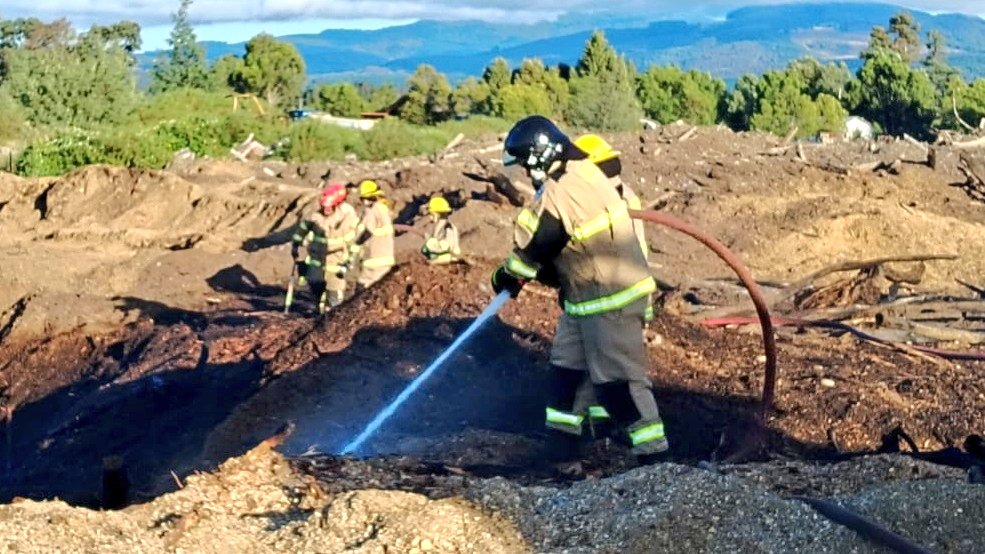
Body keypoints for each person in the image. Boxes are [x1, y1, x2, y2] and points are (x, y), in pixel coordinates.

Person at [490, 115, 669, 465]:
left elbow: (539, 240)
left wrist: (509, 276)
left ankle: (656, 460)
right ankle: (561, 452)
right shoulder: (578, 171)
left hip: (610, 300)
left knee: (617, 383)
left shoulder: (566, 186)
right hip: (584, 300)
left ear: (539, 154)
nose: (527, 172)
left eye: (527, 163)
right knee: (566, 375)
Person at [571, 133, 656, 433]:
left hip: (609, 300)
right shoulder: (622, 196)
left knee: (621, 375)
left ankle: (650, 449)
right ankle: (599, 433)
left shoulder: (608, 201)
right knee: (594, 373)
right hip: (607, 298)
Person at [291, 183, 359, 313]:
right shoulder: (315, 217)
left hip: (336, 259)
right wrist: (296, 244)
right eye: (324, 207)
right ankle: (317, 310)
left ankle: (333, 314)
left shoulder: (346, 215)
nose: (326, 210)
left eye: (329, 207)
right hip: (317, 259)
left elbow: (354, 239)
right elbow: (303, 229)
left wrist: (350, 260)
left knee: (334, 292)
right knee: (315, 285)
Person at [348, 179, 395, 288]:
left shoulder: (372, 211)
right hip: (386, 259)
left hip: (373, 261)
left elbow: (368, 231)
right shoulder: (384, 209)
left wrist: (357, 244)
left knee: (362, 289)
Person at [421, 196, 461, 265]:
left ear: (438, 214)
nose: (430, 217)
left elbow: (447, 244)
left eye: (432, 215)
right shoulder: (439, 226)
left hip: (444, 255)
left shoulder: (447, 227)